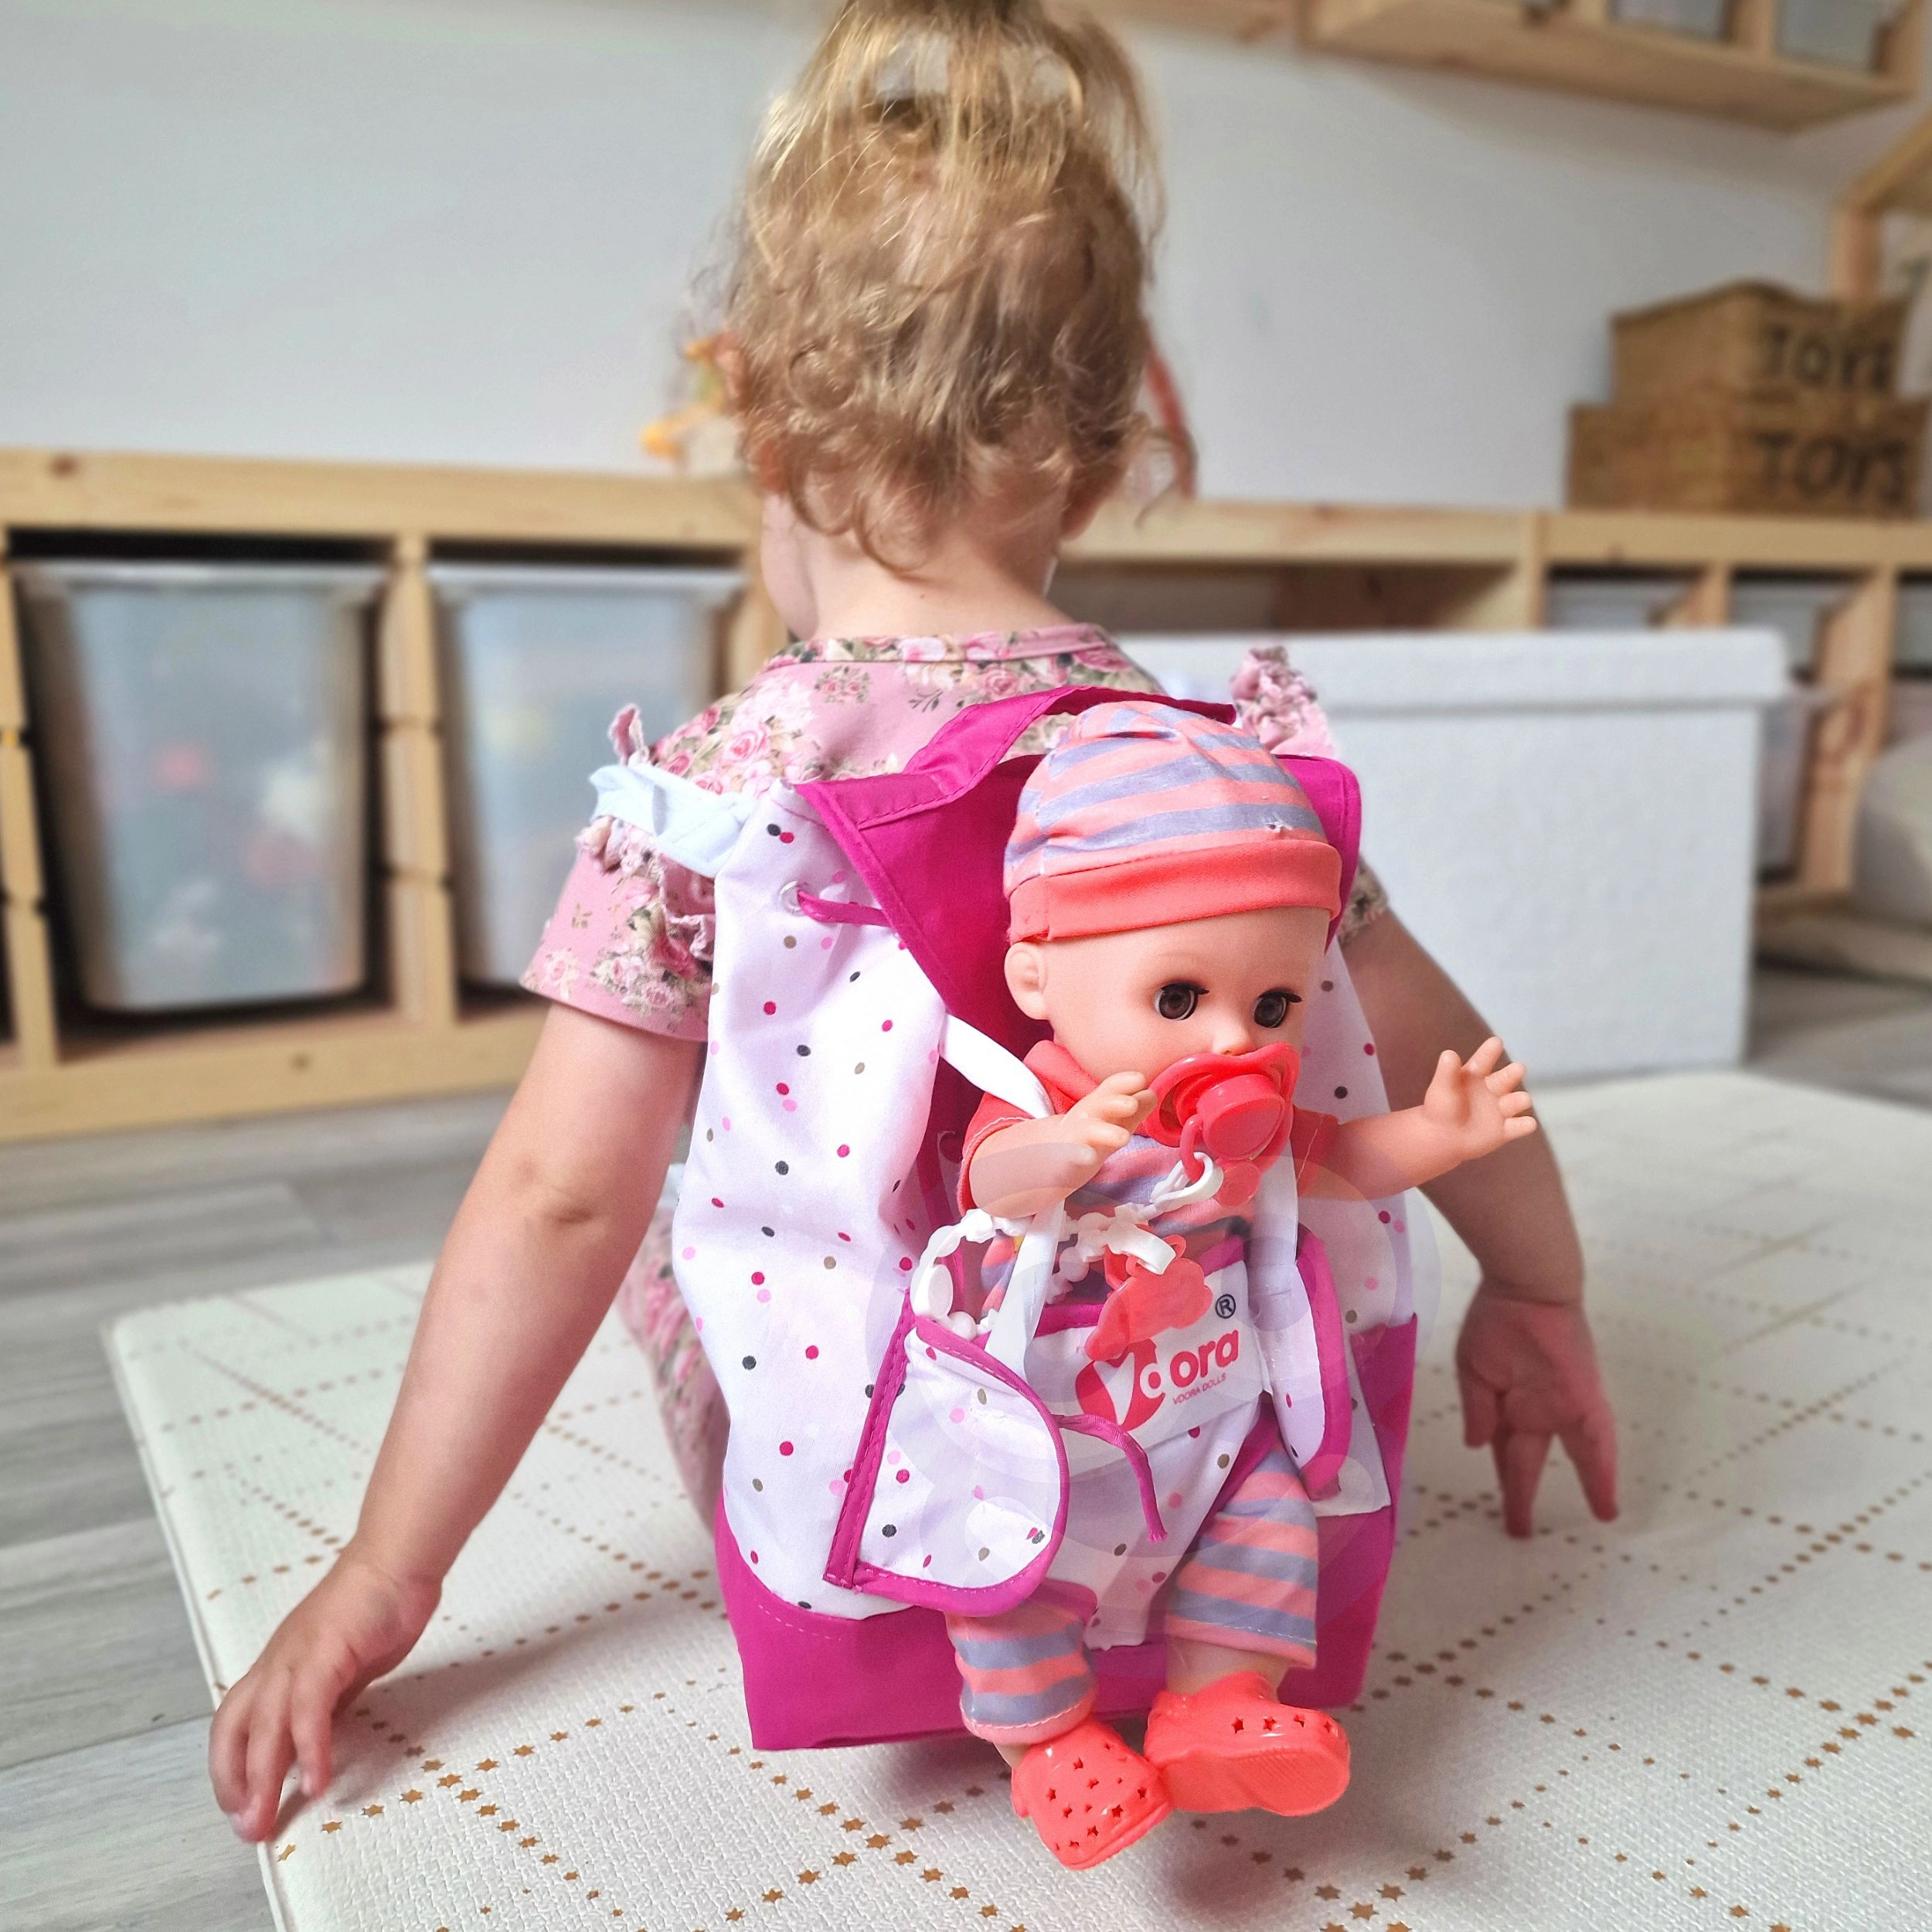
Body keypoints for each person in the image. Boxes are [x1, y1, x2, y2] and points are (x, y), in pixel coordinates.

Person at [208, 0, 1617, 1845]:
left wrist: (384, 1572)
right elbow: (1443, 1052)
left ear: (754, 413)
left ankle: (984, 1667)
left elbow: (558, 1194)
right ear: (1108, 451)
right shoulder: (1215, 766)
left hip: (882, 1494)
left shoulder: (723, 789)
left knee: (673, 1235)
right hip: (1190, 1440)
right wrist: (1536, 1289)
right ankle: (1203, 1671)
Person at [938, 699, 1536, 1866]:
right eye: (1178, 998)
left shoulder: (1248, 1126)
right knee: (1005, 1579)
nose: (1230, 1040)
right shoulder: (1036, 1097)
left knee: (1265, 1527)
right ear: (1035, 975)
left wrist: (1439, 1135)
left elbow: (1343, 1162)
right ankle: (1051, 1749)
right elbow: (988, 1182)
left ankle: (1218, 1701)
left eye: (1272, 1006)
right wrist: (1057, 1151)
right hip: (1053, 1426)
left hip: (1212, 1403)